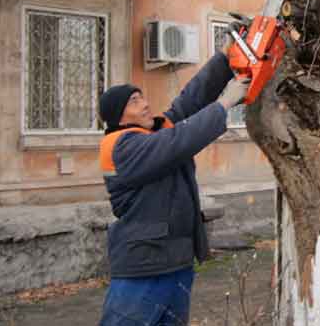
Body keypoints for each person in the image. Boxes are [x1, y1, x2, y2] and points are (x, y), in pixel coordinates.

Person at [97, 41, 251, 326]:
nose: (145, 104)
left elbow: (190, 101)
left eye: (142, 97)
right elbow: (179, 140)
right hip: (143, 269)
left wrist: (228, 57)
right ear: (117, 115)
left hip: (175, 263)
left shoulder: (150, 136)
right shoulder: (120, 146)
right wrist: (225, 104)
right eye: (134, 101)